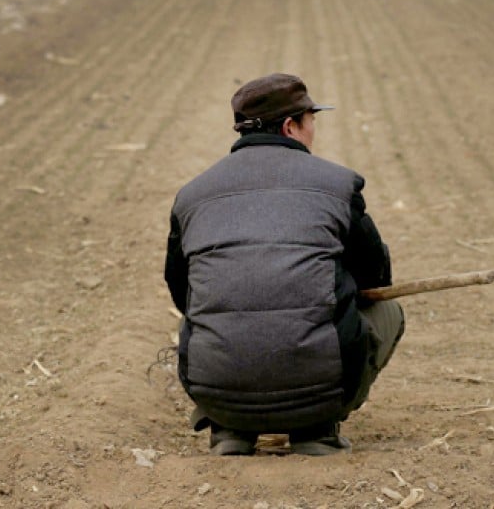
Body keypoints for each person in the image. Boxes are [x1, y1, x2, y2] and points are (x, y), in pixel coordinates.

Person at [163, 73, 404, 456]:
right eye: (312, 122)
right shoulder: (337, 185)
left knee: (203, 313)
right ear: (292, 126)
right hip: (322, 391)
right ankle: (316, 428)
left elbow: (181, 292)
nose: (314, 133)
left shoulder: (192, 194)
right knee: (387, 309)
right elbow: (375, 279)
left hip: (216, 392)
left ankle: (230, 428)